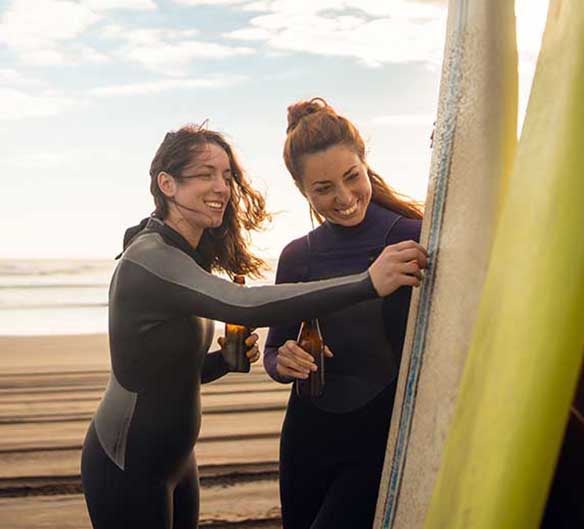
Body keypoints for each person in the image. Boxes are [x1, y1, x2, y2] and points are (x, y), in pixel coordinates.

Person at [80, 124, 427, 529]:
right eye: (206, 174)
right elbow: (243, 304)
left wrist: (219, 364)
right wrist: (368, 282)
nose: (221, 187)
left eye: (227, 176)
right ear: (167, 184)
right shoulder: (151, 258)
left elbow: (164, 372)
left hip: (175, 460)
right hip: (128, 459)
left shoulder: (183, 255)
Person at [263, 98, 425, 529]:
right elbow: (273, 351)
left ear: (364, 163)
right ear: (303, 190)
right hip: (306, 436)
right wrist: (285, 360)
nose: (345, 198)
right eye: (323, 188)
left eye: (352, 177)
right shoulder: (297, 257)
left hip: (380, 436)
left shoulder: (412, 237)